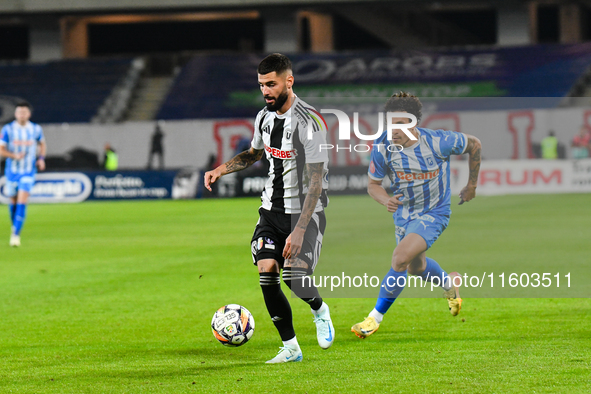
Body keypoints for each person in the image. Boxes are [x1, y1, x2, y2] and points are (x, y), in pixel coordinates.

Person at [204, 53, 334, 364]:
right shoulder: (263, 117)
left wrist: (299, 231)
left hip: (305, 213)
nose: (266, 91)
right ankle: (291, 347)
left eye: (272, 84)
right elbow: (253, 154)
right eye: (262, 85)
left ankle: (319, 309)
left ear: (289, 81)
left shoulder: (310, 123)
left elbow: (316, 183)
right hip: (270, 211)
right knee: (267, 273)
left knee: (292, 276)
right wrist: (221, 168)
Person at [351, 92, 482, 339]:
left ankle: (373, 319)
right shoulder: (383, 147)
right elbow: (373, 185)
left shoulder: (439, 141)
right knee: (415, 268)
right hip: (404, 214)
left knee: (399, 258)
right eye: (391, 124)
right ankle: (448, 284)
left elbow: (475, 144)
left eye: (401, 124)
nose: (395, 130)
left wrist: (471, 185)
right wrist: (385, 199)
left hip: (435, 212)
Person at [0, 102, 46, 247]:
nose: (22, 115)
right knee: (13, 203)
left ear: (28, 114)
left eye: (24, 112)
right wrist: (14, 155)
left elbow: (42, 144)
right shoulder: (8, 129)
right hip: (12, 172)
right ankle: (15, 227)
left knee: (22, 201)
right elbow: (1, 150)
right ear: (15, 114)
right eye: (19, 112)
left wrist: (41, 159)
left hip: (28, 171)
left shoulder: (35, 129)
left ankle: (15, 235)